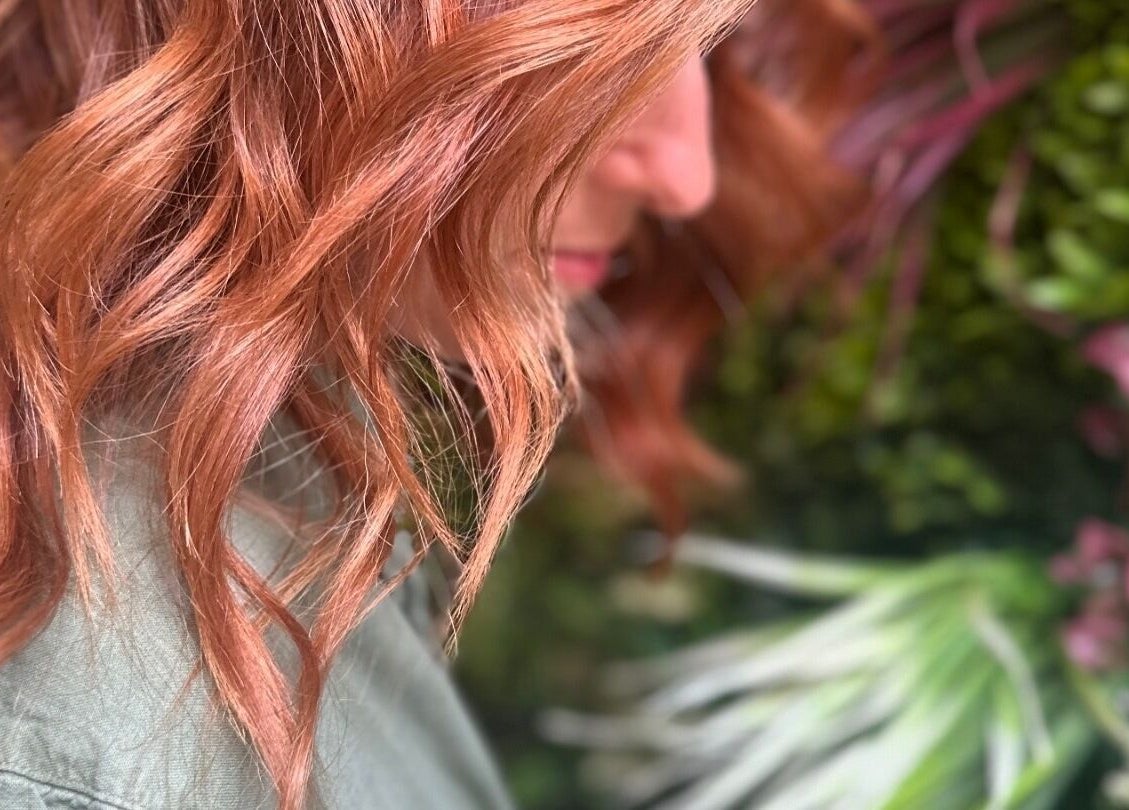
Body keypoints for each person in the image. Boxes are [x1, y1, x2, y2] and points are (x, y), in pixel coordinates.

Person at [0, 1, 872, 807]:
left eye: (706, 46)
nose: (685, 177)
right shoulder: (111, 728)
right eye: (580, 32)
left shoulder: (272, 432)